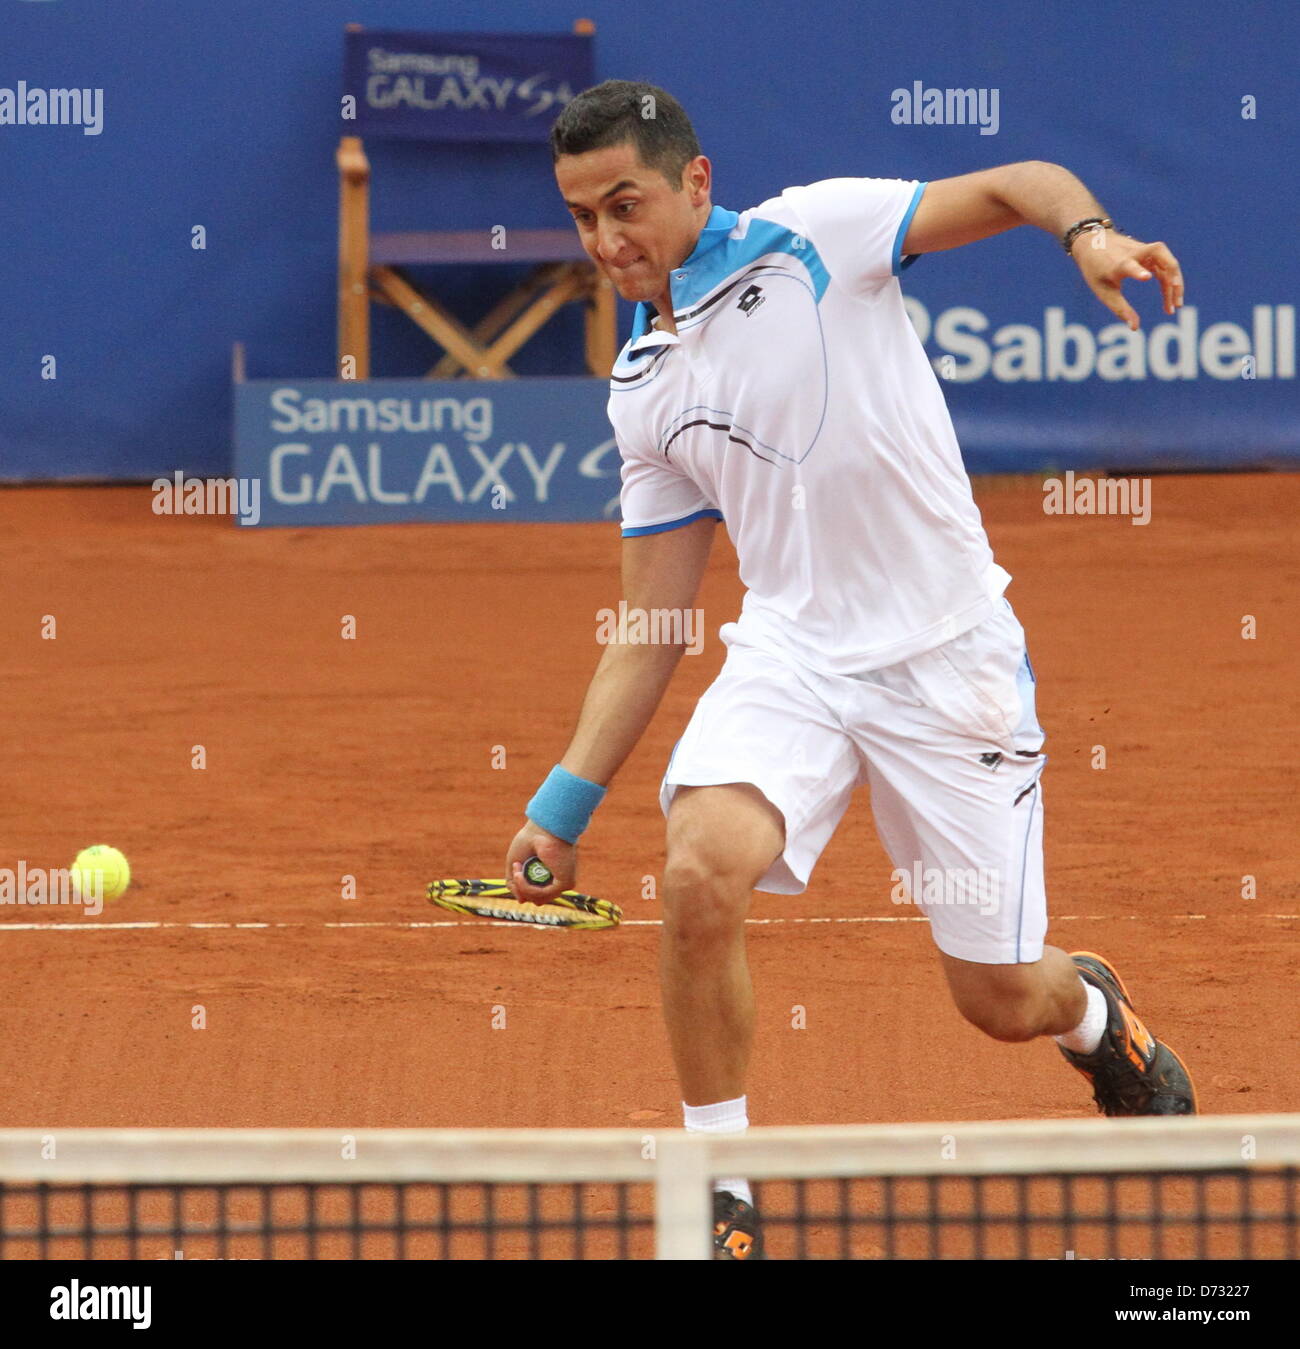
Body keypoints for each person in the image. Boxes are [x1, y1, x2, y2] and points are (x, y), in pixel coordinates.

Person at [504, 80, 1196, 1260]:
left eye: (626, 205)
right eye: (582, 218)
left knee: (996, 1000)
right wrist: (561, 802)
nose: (607, 241)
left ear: (696, 182)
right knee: (700, 872)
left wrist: (1089, 235)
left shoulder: (814, 233)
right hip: (793, 656)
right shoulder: (642, 387)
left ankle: (1086, 1009)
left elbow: (1011, 181)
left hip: (947, 660)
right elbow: (654, 619)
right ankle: (719, 1183)